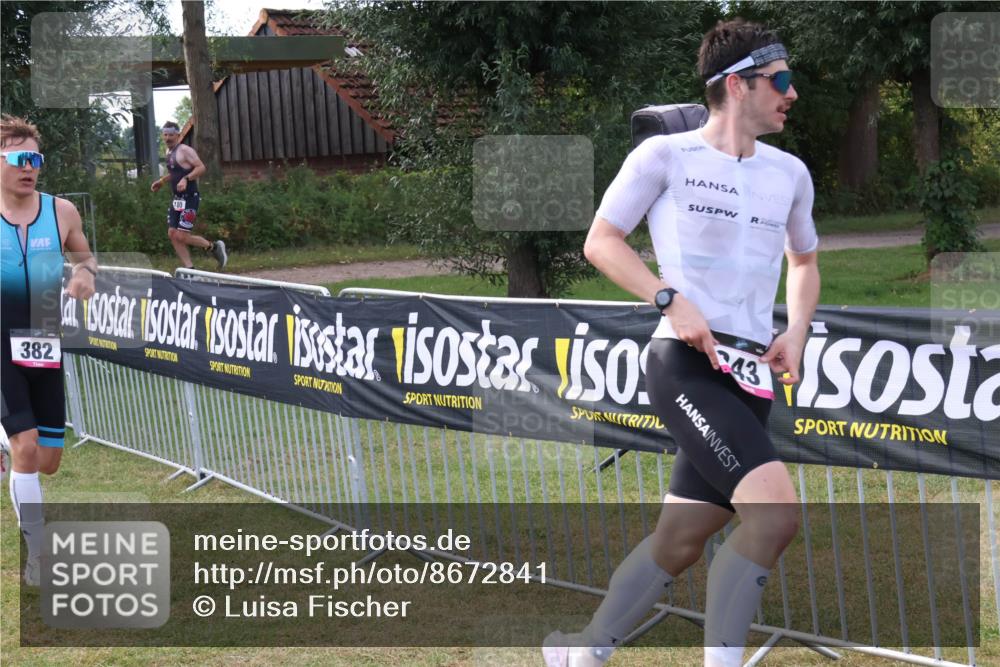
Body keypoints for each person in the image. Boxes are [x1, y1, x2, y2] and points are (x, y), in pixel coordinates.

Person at [544, 19, 820, 667]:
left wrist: (796, 332)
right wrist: (668, 297)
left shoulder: (790, 173)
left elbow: (804, 261)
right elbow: (601, 241)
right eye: (780, 79)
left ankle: (581, 653)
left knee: (681, 539)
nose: (792, 93)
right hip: (685, 365)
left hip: (750, 376)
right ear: (736, 84)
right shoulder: (664, 156)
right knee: (774, 517)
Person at [1, 115, 98, 586]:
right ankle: (39, 554)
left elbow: (85, 256)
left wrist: (85, 274)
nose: (30, 167)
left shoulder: (61, 212)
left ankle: (4, 439)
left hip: (43, 342)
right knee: (27, 447)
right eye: (20, 158)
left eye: (36, 159)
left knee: (47, 461)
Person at [150, 121, 227, 269]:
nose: (168, 138)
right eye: (165, 135)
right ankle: (190, 269)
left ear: (178, 135)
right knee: (172, 233)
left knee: (182, 236)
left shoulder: (185, 150)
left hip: (190, 198)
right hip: (177, 199)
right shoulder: (168, 152)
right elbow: (175, 173)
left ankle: (214, 247)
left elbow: (201, 167)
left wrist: (186, 179)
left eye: (171, 135)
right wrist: (162, 181)